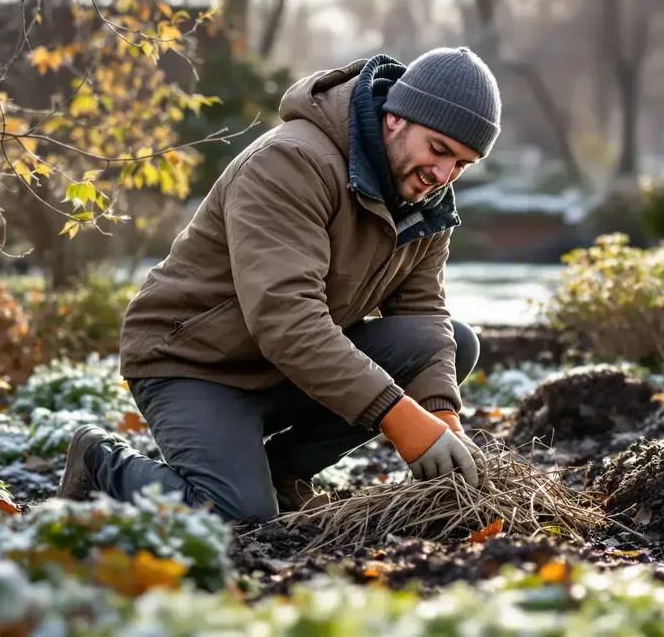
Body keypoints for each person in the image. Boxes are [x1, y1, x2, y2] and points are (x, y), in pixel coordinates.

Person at [55, 46, 502, 522]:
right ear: (396, 118)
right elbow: (286, 317)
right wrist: (399, 417)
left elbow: (422, 314)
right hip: (194, 363)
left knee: (452, 342)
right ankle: (100, 462)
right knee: (237, 516)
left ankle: (279, 474)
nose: (443, 175)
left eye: (461, 164)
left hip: (283, 364)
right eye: (439, 150)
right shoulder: (291, 162)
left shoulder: (427, 198)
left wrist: (439, 413)